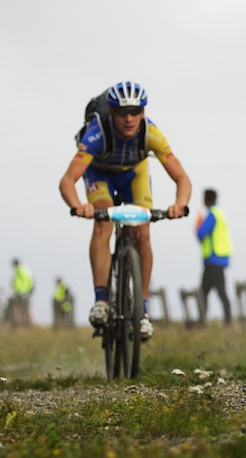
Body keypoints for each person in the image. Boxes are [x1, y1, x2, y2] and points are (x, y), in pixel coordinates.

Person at [59, 81, 192, 341]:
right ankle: (102, 301)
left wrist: (180, 204)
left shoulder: (151, 134)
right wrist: (78, 205)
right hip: (100, 174)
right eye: (122, 113)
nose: (129, 119)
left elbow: (182, 178)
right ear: (111, 113)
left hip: (133, 175)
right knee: (103, 221)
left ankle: (141, 312)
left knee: (143, 233)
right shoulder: (97, 134)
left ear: (143, 112)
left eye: (135, 111)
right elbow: (67, 180)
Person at [194, 188, 233, 325]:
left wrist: (198, 224)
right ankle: (227, 320)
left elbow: (200, 234)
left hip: (213, 260)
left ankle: (202, 321)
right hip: (221, 259)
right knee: (221, 292)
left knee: (204, 292)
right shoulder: (220, 214)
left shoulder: (212, 215)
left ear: (206, 200)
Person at [9, 257, 35, 326]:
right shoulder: (17, 272)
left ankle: (26, 325)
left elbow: (28, 281)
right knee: (18, 309)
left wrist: (25, 291)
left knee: (24, 310)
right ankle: (20, 325)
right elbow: (16, 283)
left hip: (23, 293)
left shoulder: (23, 270)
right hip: (18, 293)